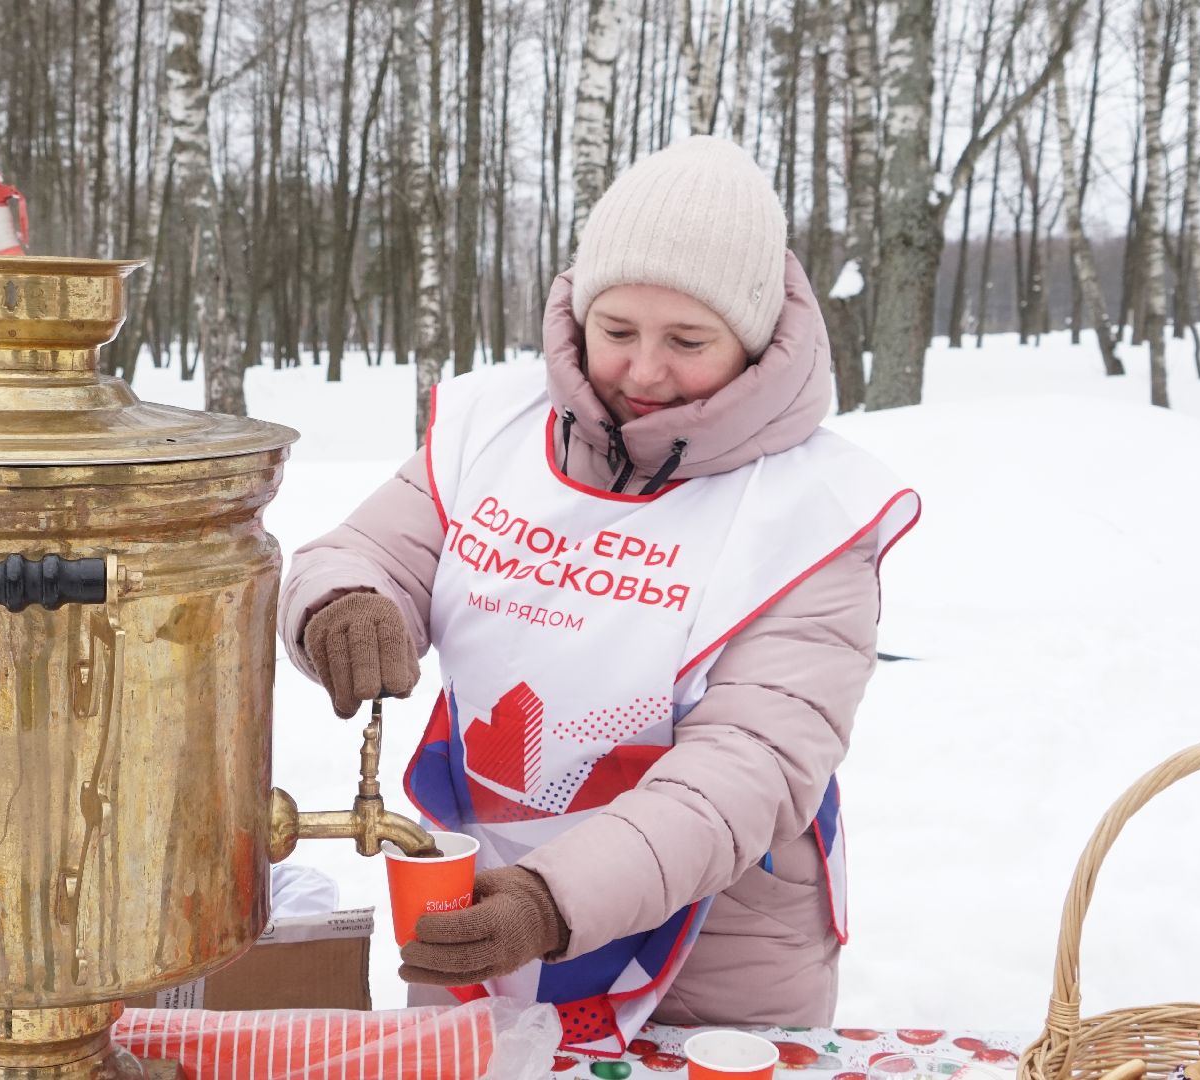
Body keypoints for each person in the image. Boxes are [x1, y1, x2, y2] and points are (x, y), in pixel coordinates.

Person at [277, 135, 921, 1056]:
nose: (642, 372)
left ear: (751, 343)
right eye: (615, 331)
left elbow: (753, 762)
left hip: (714, 937)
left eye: (687, 342)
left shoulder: (812, 512)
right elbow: (370, 550)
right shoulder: (493, 429)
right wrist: (344, 605)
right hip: (478, 878)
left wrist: (552, 900)